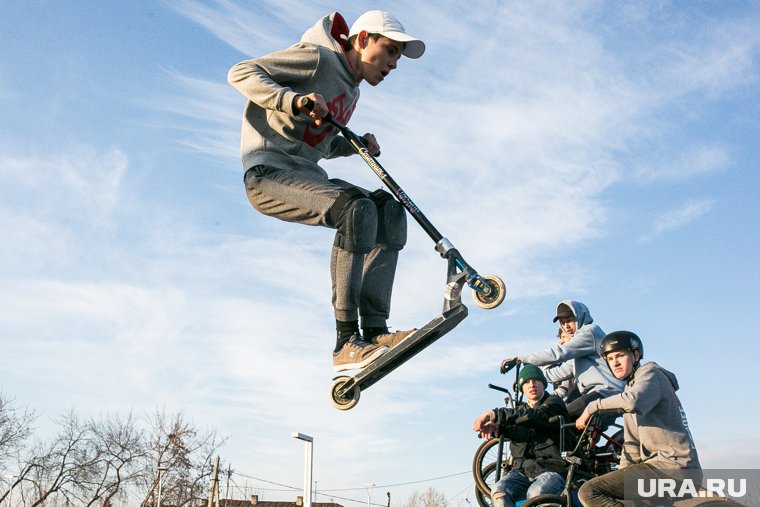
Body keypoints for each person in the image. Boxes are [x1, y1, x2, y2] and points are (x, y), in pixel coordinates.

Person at [227, 11, 425, 371]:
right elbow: (240, 72)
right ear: (363, 40)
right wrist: (293, 100)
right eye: (390, 51)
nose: (394, 63)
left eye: (398, 56)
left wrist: (353, 144)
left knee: (387, 211)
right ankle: (346, 340)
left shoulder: (352, 91)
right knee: (356, 210)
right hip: (268, 173)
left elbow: (318, 143)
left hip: (307, 173)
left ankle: (376, 330)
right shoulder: (318, 58)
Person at [576, 331, 701, 506]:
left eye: (620, 356)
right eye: (610, 359)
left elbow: (633, 401)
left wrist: (592, 407)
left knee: (589, 491)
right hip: (662, 468)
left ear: (635, 354)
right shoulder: (630, 389)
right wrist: (619, 477)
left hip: (673, 468)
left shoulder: (651, 374)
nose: (615, 363)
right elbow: (631, 446)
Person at [500, 300, 624, 418]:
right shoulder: (578, 355)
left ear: (580, 317)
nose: (566, 326)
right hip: (595, 394)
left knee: (563, 416)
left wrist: (522, 358)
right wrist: (527, 377)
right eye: (562, 323)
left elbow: (559, 354)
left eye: (569, 320)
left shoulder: (590, 332)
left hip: (606, 392)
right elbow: (554, 374)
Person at [473, 364, 568, 507]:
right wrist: (499, 429)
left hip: (552, 469)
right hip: (522, 471)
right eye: (527, 382)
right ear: (522, 387)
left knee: (537, 493)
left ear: (543, 384)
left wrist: (494, 414)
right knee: (498, 491)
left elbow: (534, 416)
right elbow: (520, 430)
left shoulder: (554, 403)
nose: (531, 385)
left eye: (536, 381)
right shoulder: (520, 410)